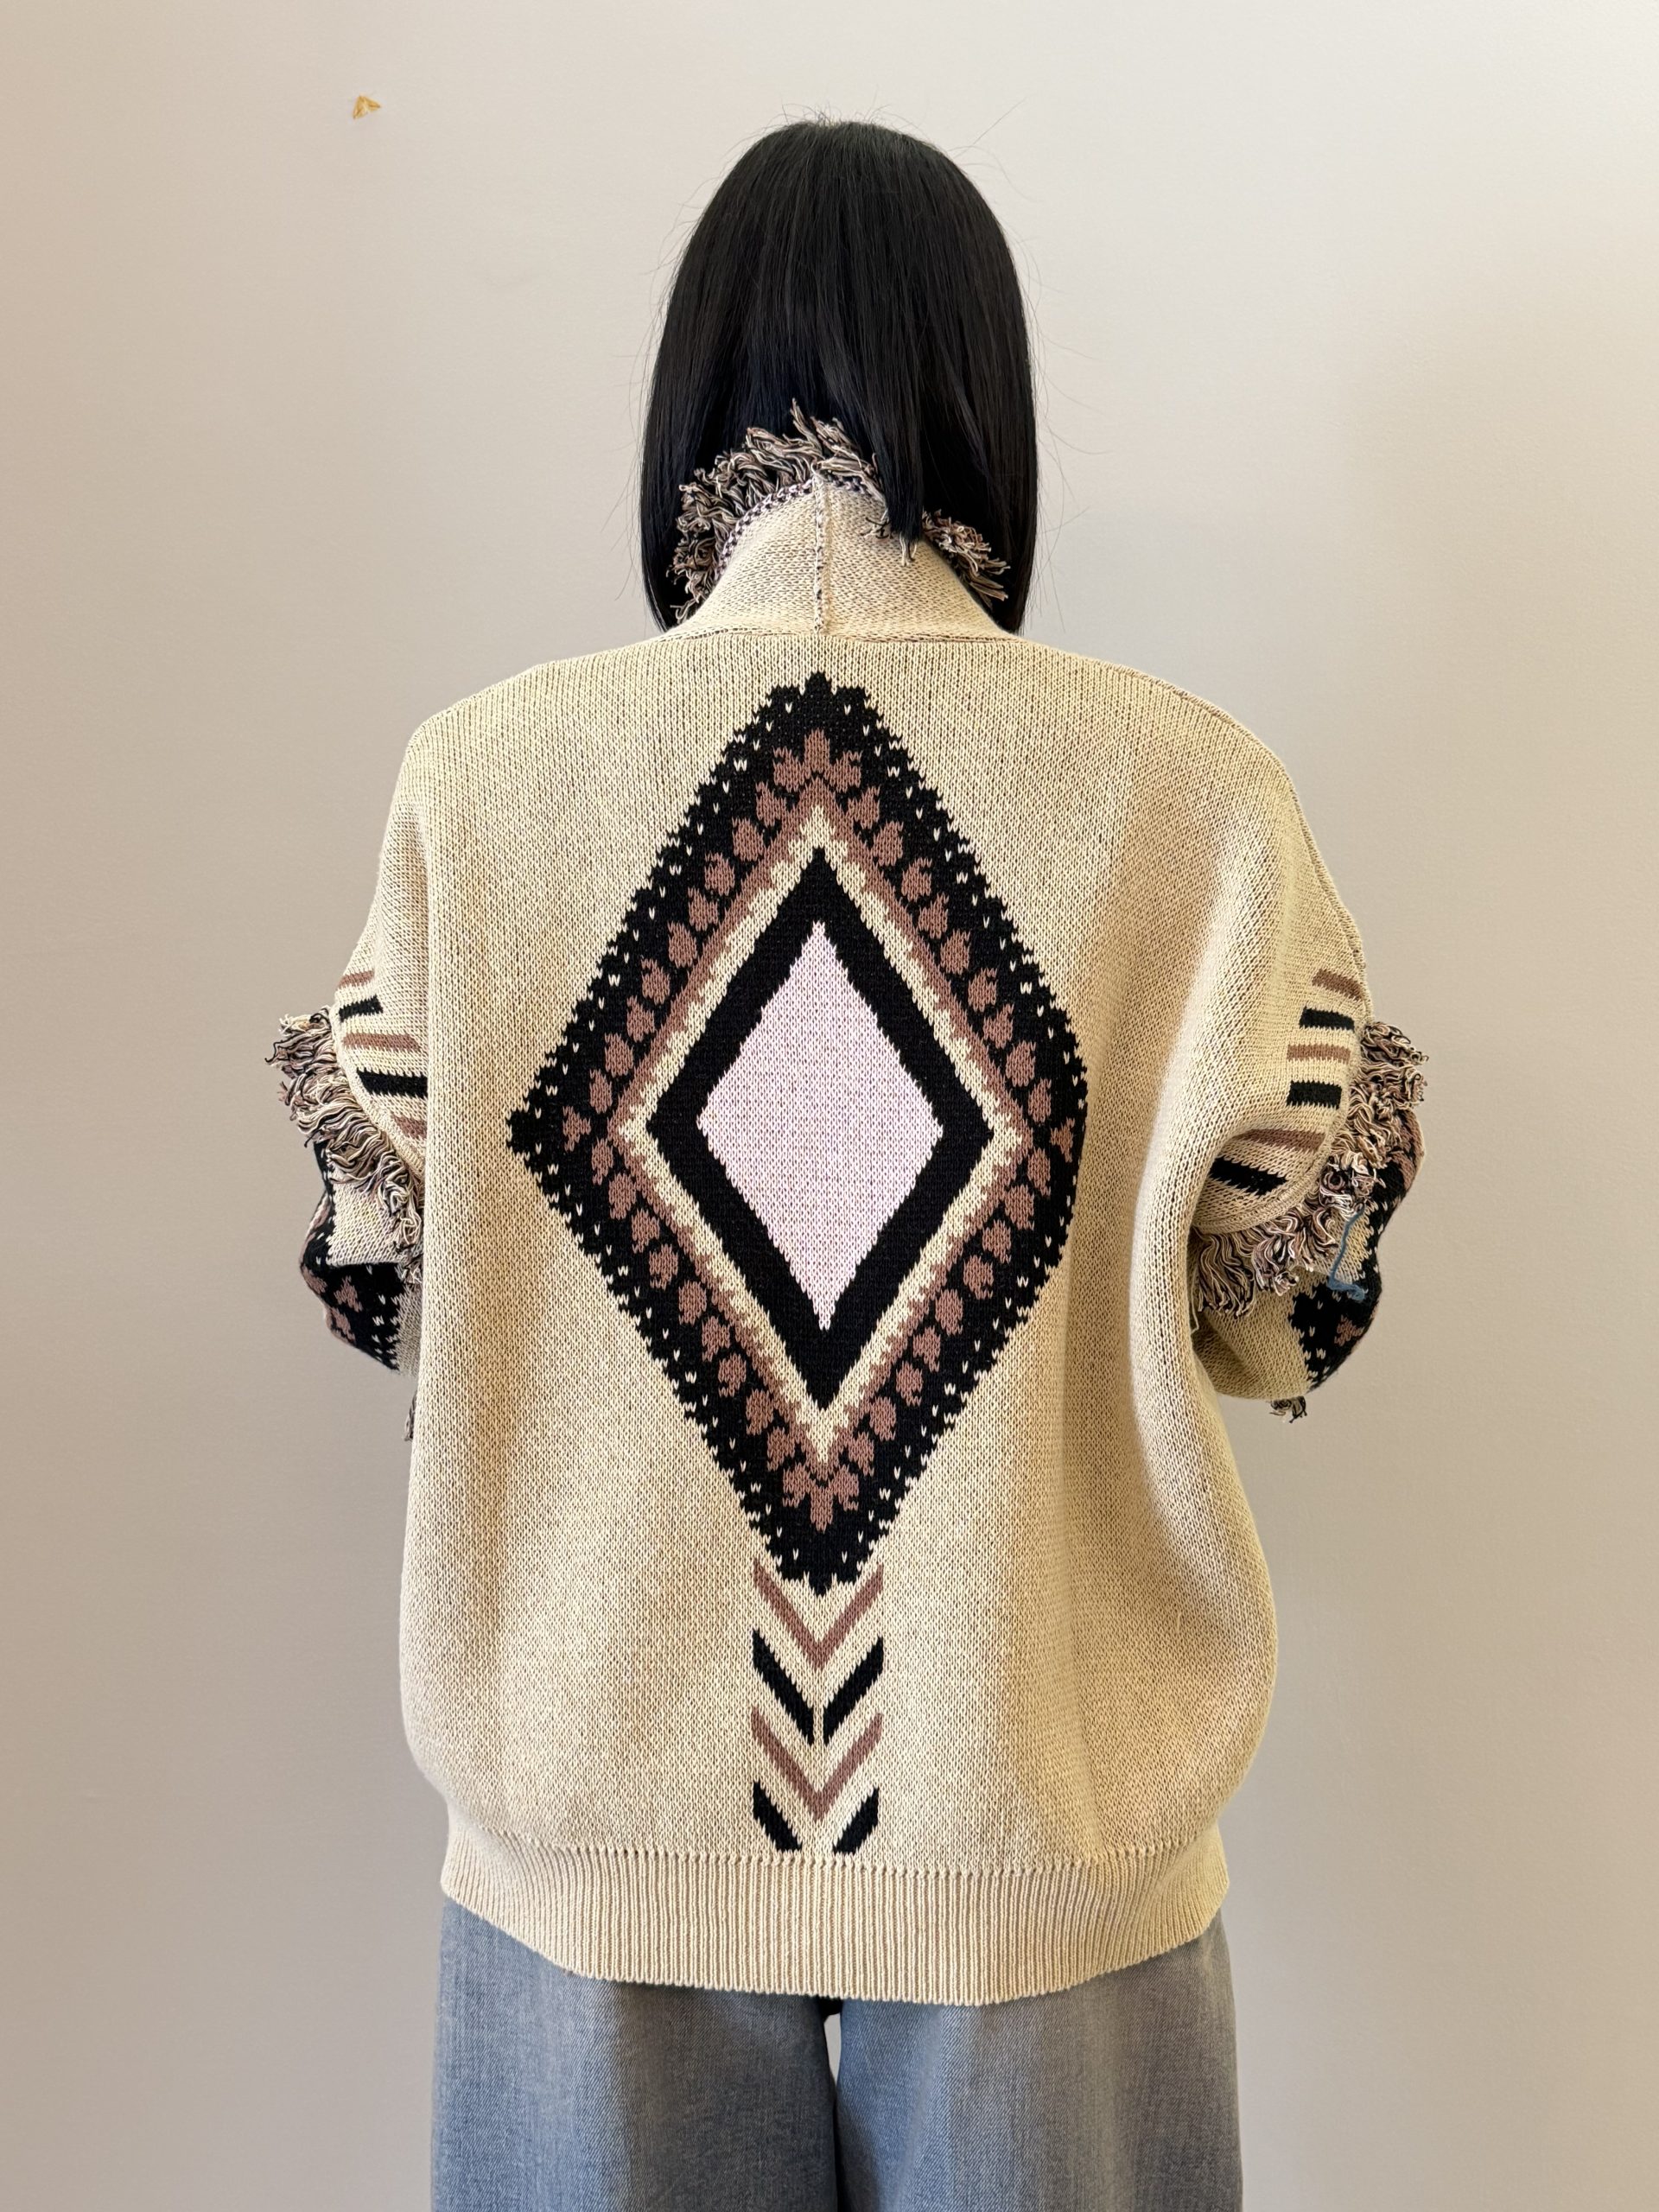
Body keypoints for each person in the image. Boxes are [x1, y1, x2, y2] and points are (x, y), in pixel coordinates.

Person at [271, 118, 1425, 2212]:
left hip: (587, 1844)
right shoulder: (1191, 796)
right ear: (986, 398)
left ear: (688, 395)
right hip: (1043, 1826)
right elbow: (1291, 1301)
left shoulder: (484, 781)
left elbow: (386, 1271)